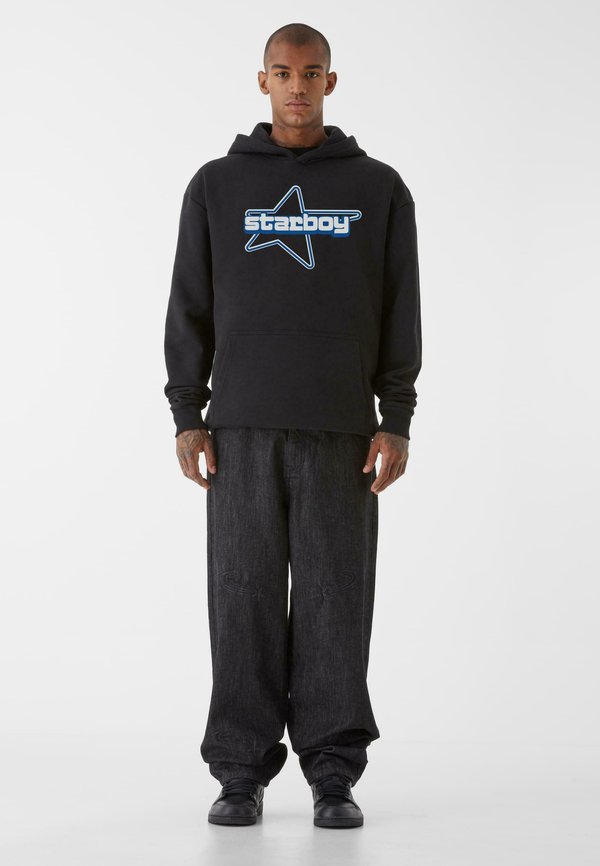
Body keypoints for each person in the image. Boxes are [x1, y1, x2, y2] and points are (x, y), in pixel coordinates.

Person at [163, 22, 422, 829]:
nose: (298, 86)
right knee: (240, 599)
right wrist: (187, 413)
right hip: (240, 430)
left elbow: (401, 308)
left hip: (342, 431)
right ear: (263, 81)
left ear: (331, 82)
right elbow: (190, 303)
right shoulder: (216, 185)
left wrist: (396, 416)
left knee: (335, 601)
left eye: (311, 73)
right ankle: (240, 773)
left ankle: (333, 773)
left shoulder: (379, 188)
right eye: (283, 72)